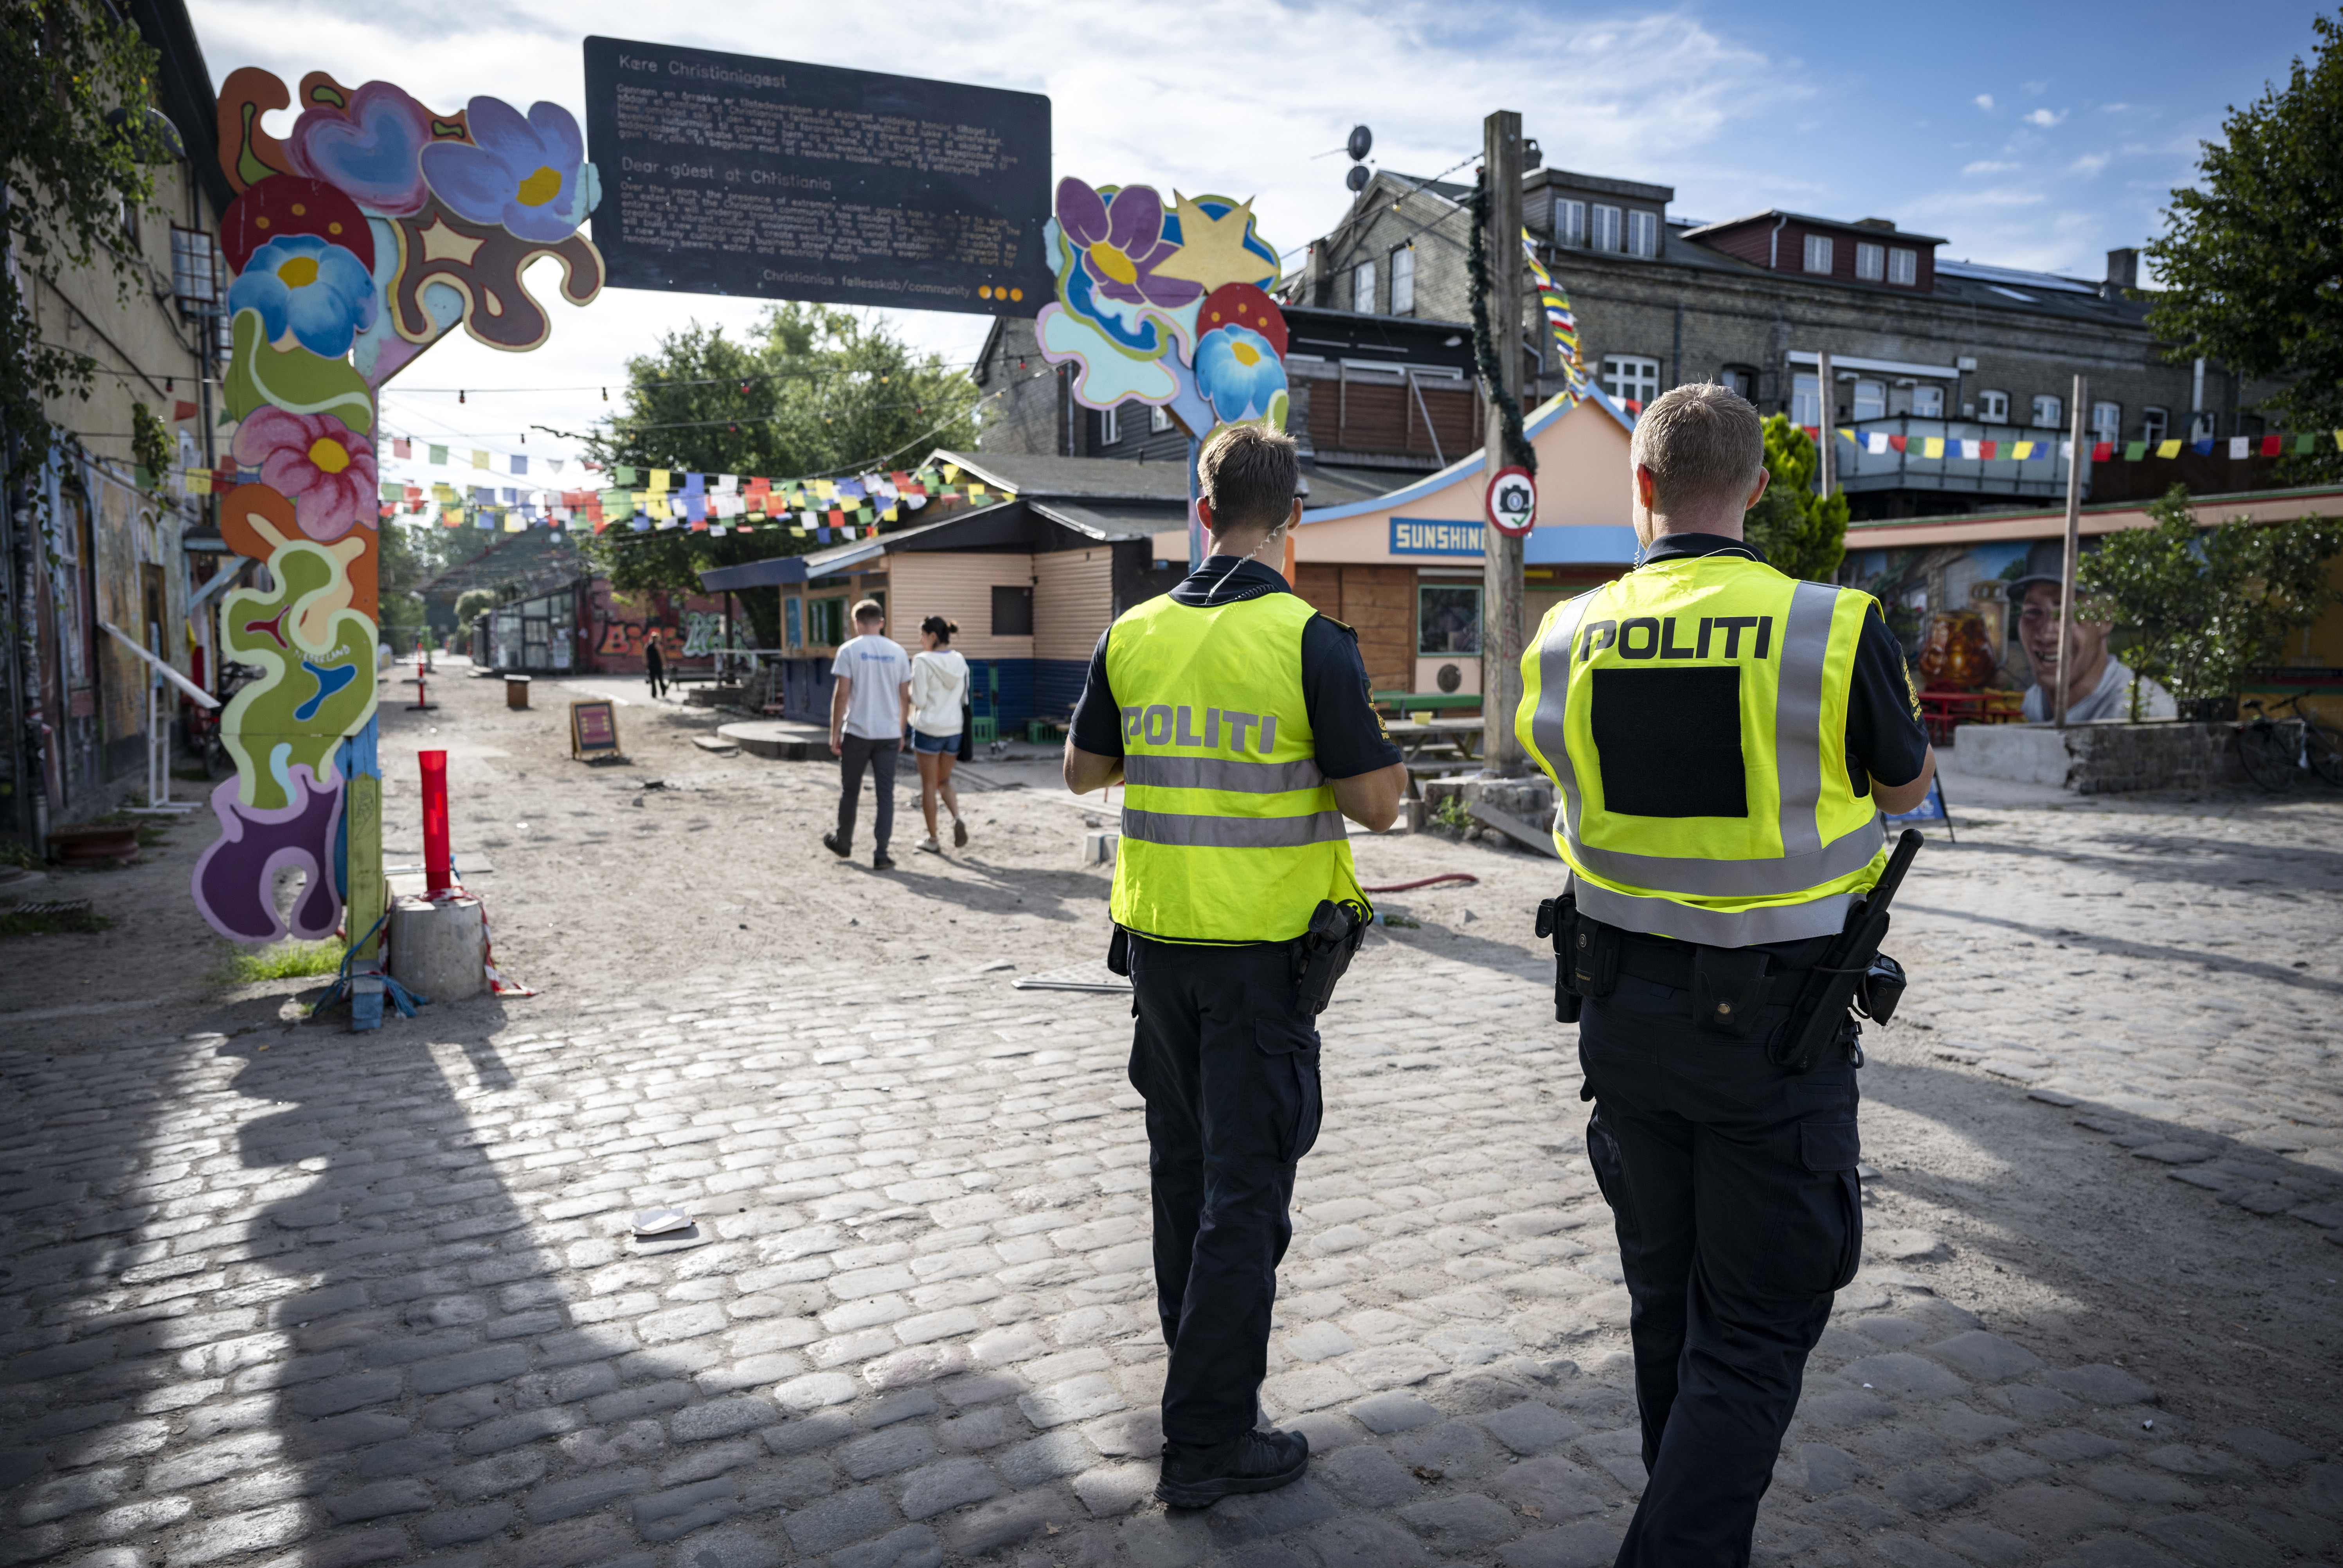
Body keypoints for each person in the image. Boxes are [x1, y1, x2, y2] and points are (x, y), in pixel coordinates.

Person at [1514, 382, 1937, 1566]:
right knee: (1752, 1328)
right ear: (1754, 489)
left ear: (1638, 490)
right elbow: (1904, 792)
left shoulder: (1564, 633)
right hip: (1775, 1038)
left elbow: (1559, 775)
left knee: (1670, 1311)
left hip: (1621, 1019)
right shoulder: (1830, 625)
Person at [1063, 423, 1407, 1509]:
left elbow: (1083, 770)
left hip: (1159, 952)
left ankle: (1205, 1387)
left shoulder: (1134, 631)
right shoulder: (1309, 639)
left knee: (1184, 1181)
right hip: (1261, 962)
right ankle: (1209, 1433)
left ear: (1201, 508)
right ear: (1293, 513)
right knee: (1245, 1198)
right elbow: (1379, 802)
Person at [2005, 540, 2178, 722]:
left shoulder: (2145, 709)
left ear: (2107, 618)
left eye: (2068, 613)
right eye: (2033, 612)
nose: (2047, 634)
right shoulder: (2027, 706)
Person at [822, 599, 911, 871]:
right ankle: (882, 853)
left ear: (856, 623)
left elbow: (842, 695)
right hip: (888, 733)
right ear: (882, 622)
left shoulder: (849, 650)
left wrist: (834, 731)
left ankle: (844, 842)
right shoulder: (898, 652)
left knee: (851, 791)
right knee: (886, 794)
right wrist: (901, 731)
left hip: (858, 733)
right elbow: (905, 698)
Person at [908, 616, 971, 854]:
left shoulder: (922, 661)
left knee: (929, 785)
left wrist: (906, 689)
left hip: (928, 730)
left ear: (933, 636)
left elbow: (919, 700)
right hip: (954, 730)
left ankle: (933, 839)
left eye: (922, 635)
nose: (920, 640)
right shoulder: (960, 660)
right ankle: (957, 817)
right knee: (944, 781)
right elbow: (964, 699)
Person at [643, 631, 668, 701]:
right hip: (654, 665)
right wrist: (665, 663)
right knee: (654, 681)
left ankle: (662, 691)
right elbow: (645, 655)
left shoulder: (652, 646)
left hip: (656, 665)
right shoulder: (651, 646)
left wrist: (664, 664)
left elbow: (661, 655)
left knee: (659, 680)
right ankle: (655, 694)